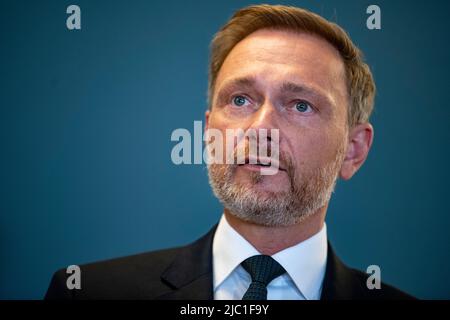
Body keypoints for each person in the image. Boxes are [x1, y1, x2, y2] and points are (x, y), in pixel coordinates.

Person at [45, 4, 413, 300]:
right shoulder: (88, 293)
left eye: (300, 105)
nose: (260, 129)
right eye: (240, 100)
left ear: (353, 150)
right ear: (208, 133)